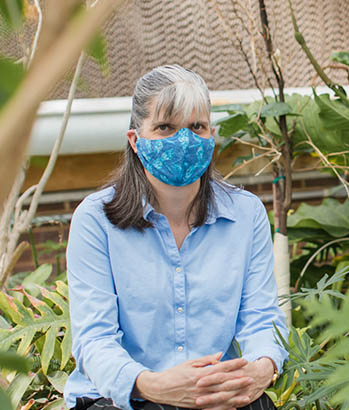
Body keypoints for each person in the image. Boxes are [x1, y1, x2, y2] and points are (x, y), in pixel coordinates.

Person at [64, 65, 288, 410]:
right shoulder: (95, 220)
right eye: (165, 127)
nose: (183, 141)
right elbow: (95, 340)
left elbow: (261, 318)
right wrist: (153, 385)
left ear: (211, 135)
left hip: (215, 394)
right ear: (135, 141)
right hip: (125, 397)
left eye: (196, 127)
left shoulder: (246, 215)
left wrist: (261, 369)